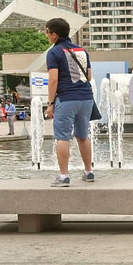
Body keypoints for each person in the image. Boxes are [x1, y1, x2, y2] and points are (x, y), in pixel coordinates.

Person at [44, 18, 96, 187]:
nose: (47, 36)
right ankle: (88, 172)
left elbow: (53, 80)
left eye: (47, 32)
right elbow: (88, 76)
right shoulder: (82, 50)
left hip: (66, 98)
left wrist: (50, 103)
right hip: (86, 98)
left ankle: (64, 176)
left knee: (62, 137)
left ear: (54, 35)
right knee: (82, 136)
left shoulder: (54, 52)